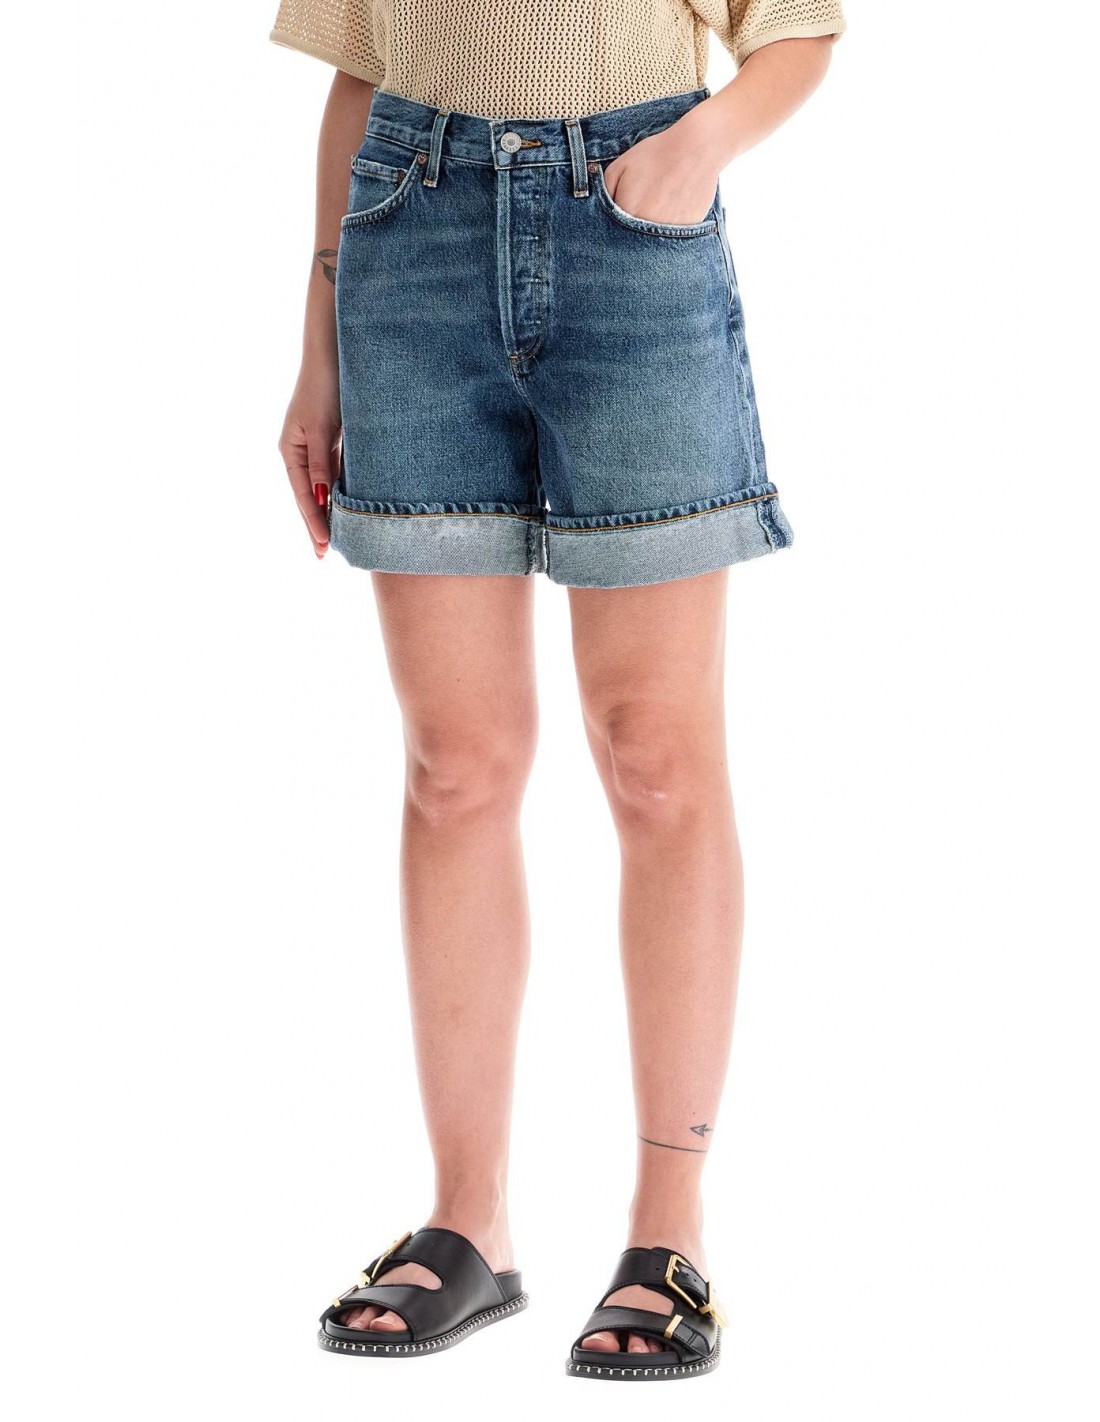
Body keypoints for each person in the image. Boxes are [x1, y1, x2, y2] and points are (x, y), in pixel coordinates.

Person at [270, 0, 845, 1381]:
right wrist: (318, 345)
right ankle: (470, 1223)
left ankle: (668, 1232)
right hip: (409, 237)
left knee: (655, 757)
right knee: (454, 766)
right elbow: (354, 73)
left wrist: (692, 152)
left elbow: (801, 30)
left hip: (631, 236)